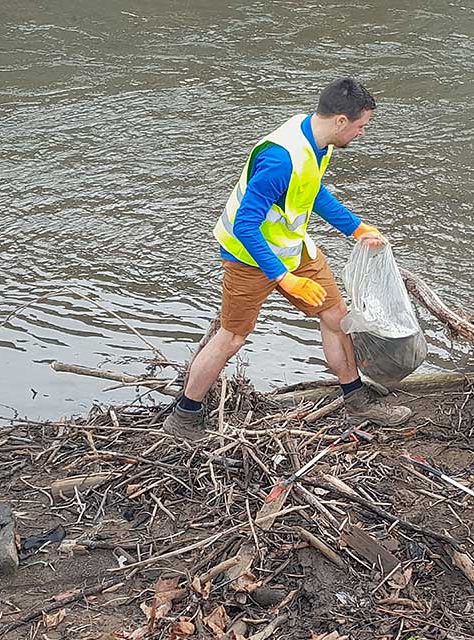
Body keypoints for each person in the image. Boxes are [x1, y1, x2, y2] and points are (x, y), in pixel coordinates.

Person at [164, 77, 412, 439]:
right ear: (341, 120)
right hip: (248, 257)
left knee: (336, 316)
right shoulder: (280, 158)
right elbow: (247, 226)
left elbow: (312, 192)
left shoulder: (318, 138)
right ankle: (184, 417)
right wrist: (285, 278)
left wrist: (355, 228)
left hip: (293, 248)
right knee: (231, 337)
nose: (362, 133)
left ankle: (356, 401)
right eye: (361, 126)